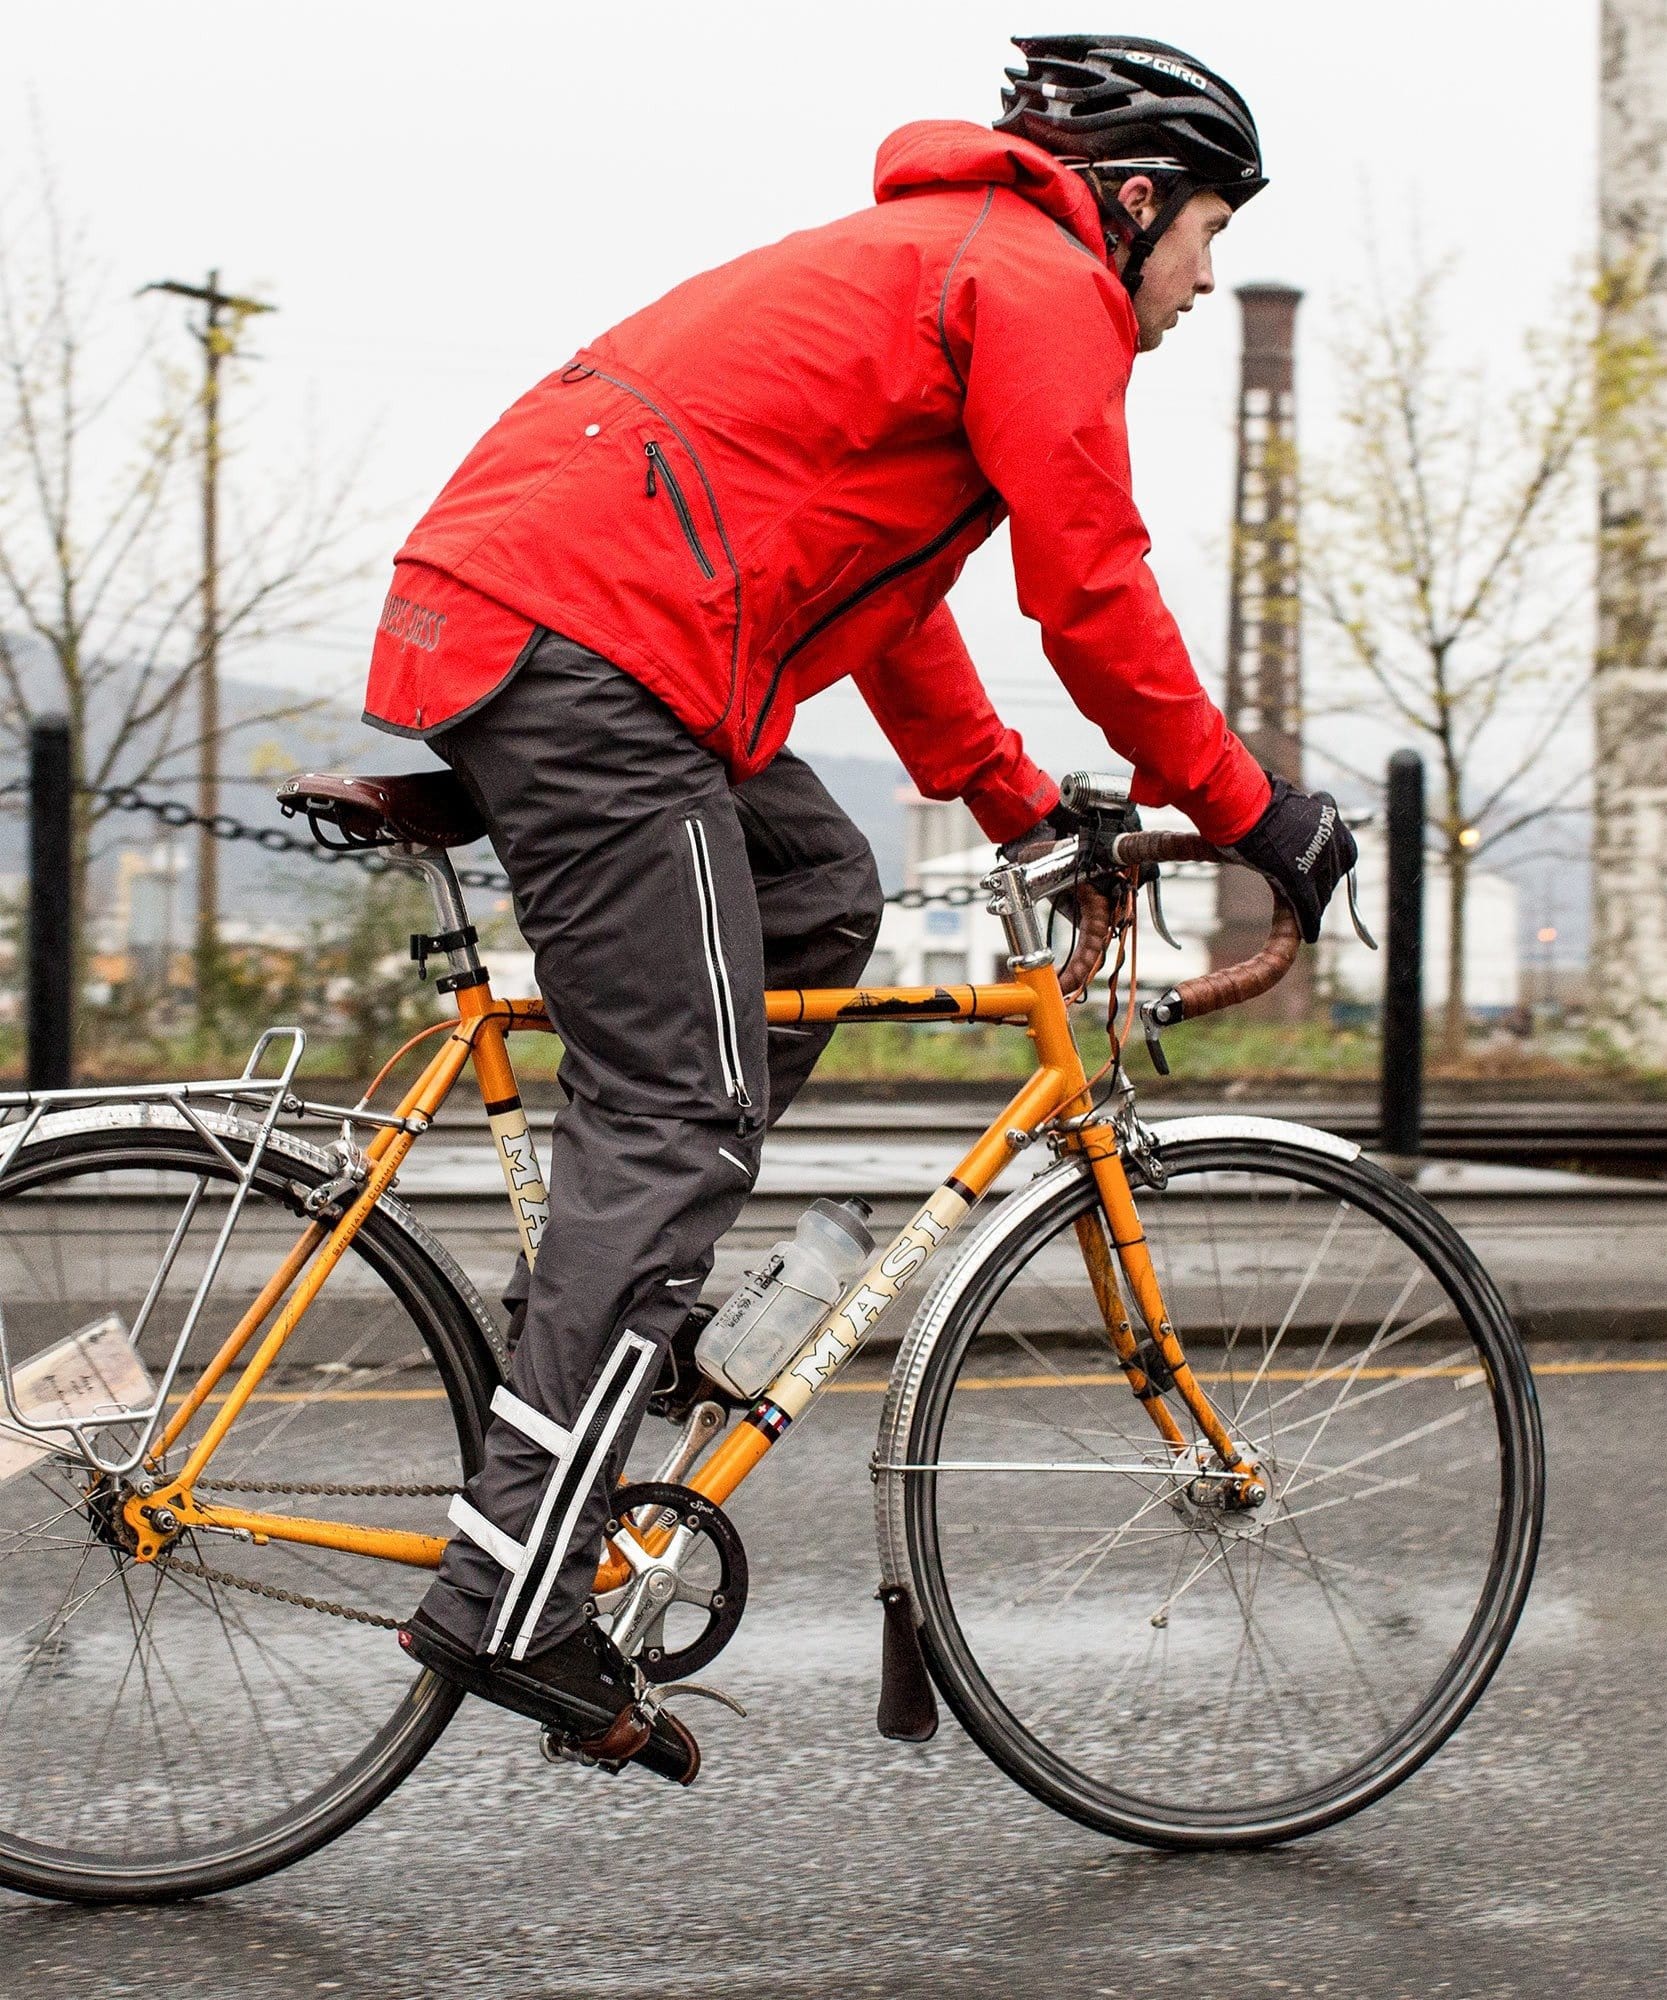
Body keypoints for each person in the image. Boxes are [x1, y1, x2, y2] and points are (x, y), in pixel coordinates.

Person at [366, 32, 1357, 1783]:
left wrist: (1021, 803)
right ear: (1133, 204)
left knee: (821, 890)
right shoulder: (1038, 280)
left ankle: (627, 1314)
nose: (1207, 276)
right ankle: (511, 1584)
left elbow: (896, 616)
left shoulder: (951, 272)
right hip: (603, 656)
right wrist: (1251, 808)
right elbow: (1094, 593)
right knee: (676, 1117)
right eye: (1209, 229)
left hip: (570, 628)